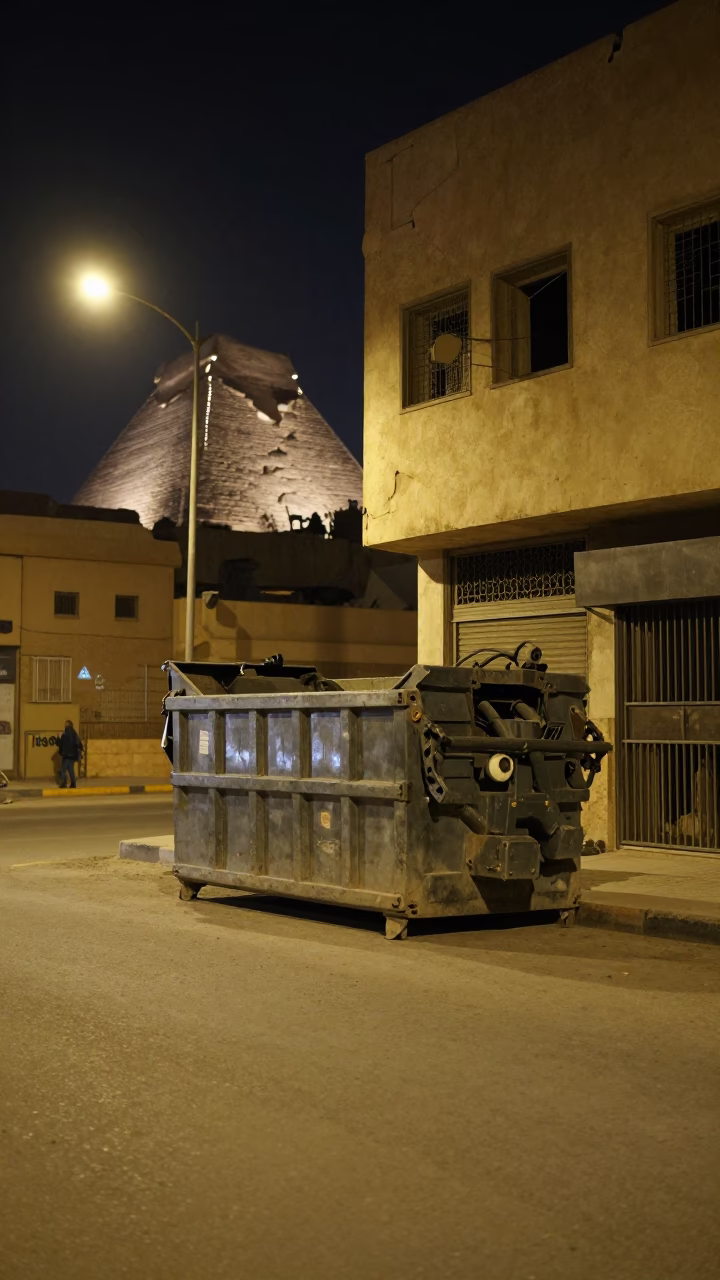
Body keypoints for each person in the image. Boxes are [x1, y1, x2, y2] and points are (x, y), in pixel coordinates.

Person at [58, 719, 83, 789]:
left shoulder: (65, 734)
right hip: (73, 755)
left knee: (63, 769)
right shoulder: (74, 733)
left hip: (66, 755)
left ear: (68, 725)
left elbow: (60, 743)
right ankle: (73, 784)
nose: (64, 725)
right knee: (70, 770)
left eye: (65, 724)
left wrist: (59, 737)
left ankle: (63, 783)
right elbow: (78, 744)